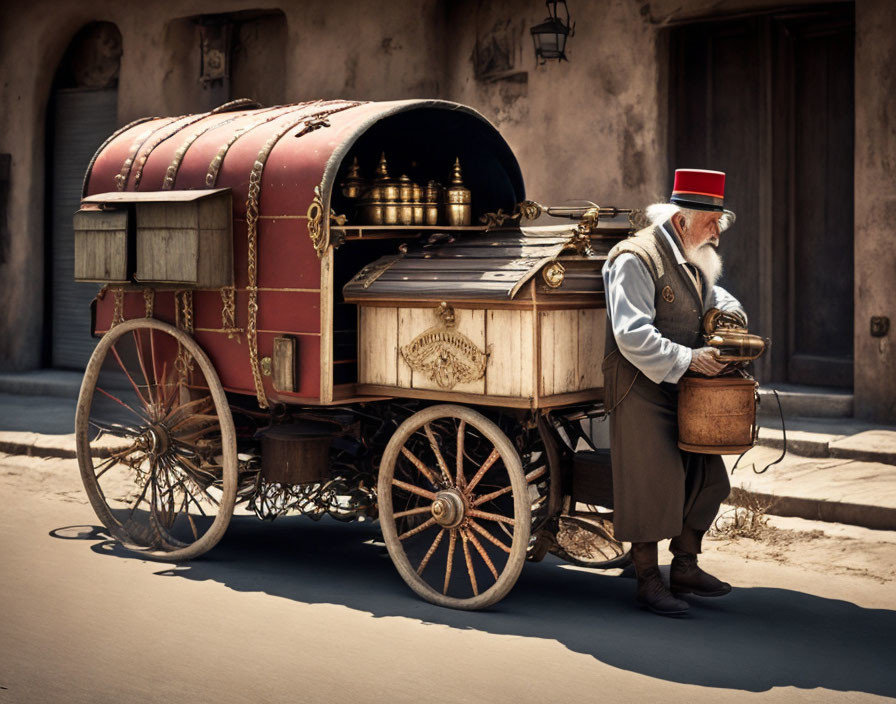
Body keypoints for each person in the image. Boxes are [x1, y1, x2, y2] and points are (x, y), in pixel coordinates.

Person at [601, 168, 747, 617]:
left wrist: (730, 310)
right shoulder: (635, 258)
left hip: (681, 385)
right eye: (711, 225)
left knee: (709, 476)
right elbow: (631, 334)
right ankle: (648, 579)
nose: (717, 238)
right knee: (654, 479)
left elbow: (708, 294)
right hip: (638, 387)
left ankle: (684, 565)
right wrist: (690, 359)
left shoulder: (688, 251)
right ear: (683, 219)